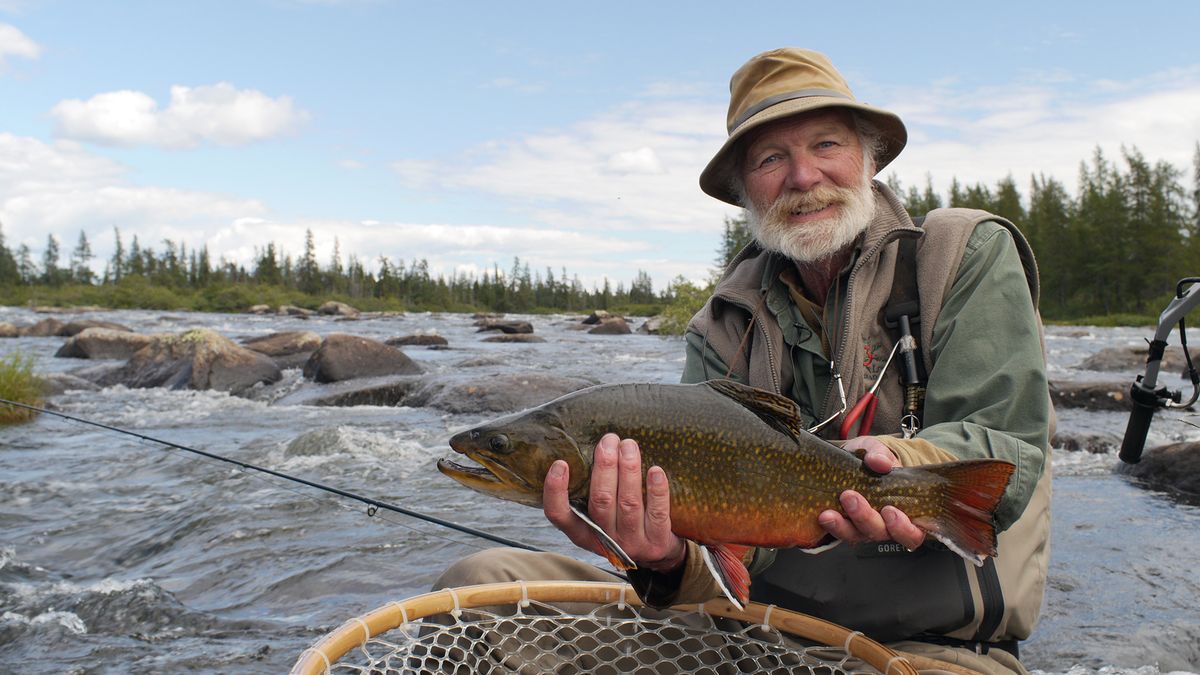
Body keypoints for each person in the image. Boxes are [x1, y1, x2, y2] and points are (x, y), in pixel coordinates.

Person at [435, 47, 1052, 675]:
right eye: (770, 158)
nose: (804, 176)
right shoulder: (724, 323)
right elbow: (723, 556)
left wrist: (900, 466)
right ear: (742, 189)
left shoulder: (961, 254)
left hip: (928, 647)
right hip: (746, 630)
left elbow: (1008, 447)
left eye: (827, 145)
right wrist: (668, 558)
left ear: (868, 159)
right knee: (479, 585)